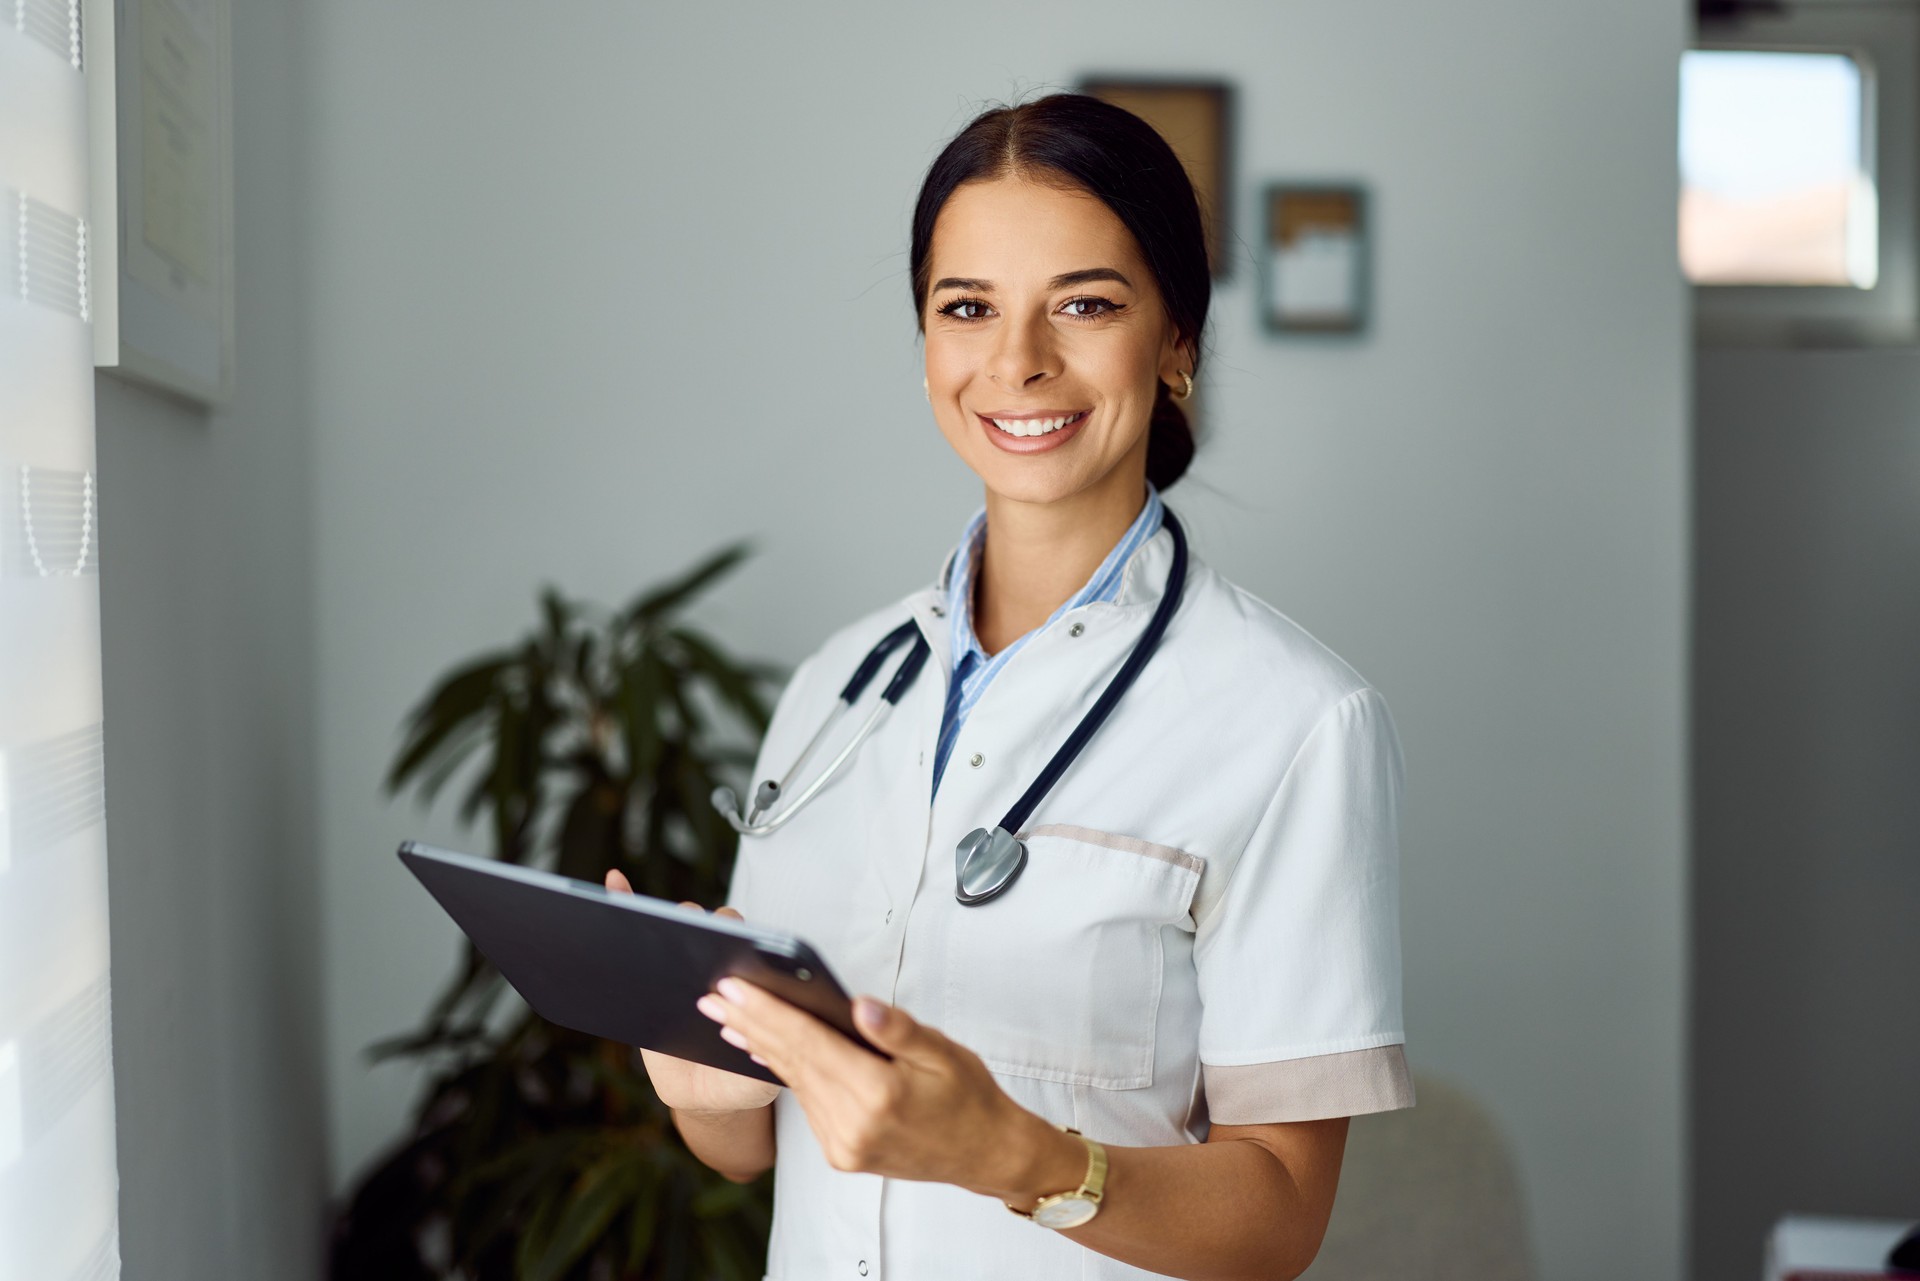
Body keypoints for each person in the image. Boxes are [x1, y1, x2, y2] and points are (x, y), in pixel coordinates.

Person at [605, 92, 1413, 1281]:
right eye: (967, 308)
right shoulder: (838, 691)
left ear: (1178, 340)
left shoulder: (1297, 723)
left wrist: (1013, 1155)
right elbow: (752, 1150)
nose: (1018, 362)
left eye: (1085, 305)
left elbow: (1279, 1216)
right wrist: (709, 1088)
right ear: (927, 344)